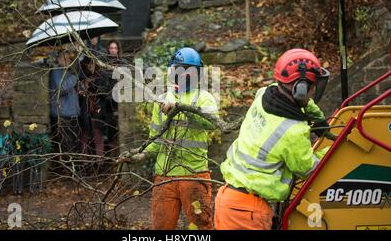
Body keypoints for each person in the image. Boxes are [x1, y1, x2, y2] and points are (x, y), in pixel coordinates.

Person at [214, 48, 331, 230]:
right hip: (248, 211)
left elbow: (303, 104)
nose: (313, 92)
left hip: (228, 199)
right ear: (300, 89)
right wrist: (332, 149)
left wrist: (319, 120)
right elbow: (309, 169)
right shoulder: (292, 130)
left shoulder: (264, 94)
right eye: (312, 87)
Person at [121, 47, 219, 230]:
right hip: (164, 178)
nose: (184, 75)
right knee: (161, 227)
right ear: (172, 71)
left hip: (194, 175)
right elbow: (155, 140)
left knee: (201, 227)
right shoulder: (162, 99)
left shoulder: (204, 98)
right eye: (180, 70)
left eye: (190, 71)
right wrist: (140, 156)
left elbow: (212, 123)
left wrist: (180, 107)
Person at [49, 50, 81, 154]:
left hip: (72, 114)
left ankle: (73, 167)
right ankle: (67, 169)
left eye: (69, 58)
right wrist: (74, 77)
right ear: (58, 59)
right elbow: (61, 88)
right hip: (62, 115)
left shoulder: (67, 72)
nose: (68, 61)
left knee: (74, 144)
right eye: (65, 58)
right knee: (66, 146)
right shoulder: (56, 71)